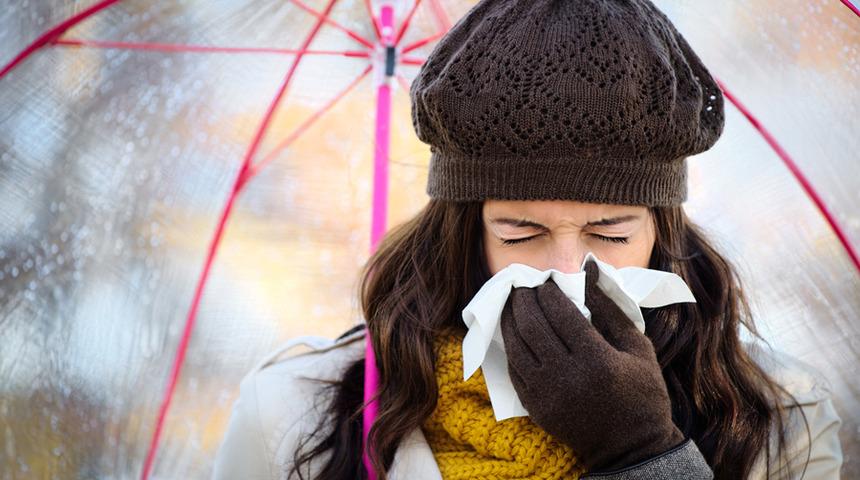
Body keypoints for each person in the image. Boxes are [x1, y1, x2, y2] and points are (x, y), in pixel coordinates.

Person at [211, 0, 844, 478]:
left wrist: (645, 455)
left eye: (610, 232)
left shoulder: (781, 420)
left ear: (662, 230)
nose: (567, 270)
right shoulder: (296, 415)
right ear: (463, 232)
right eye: (521, 230)